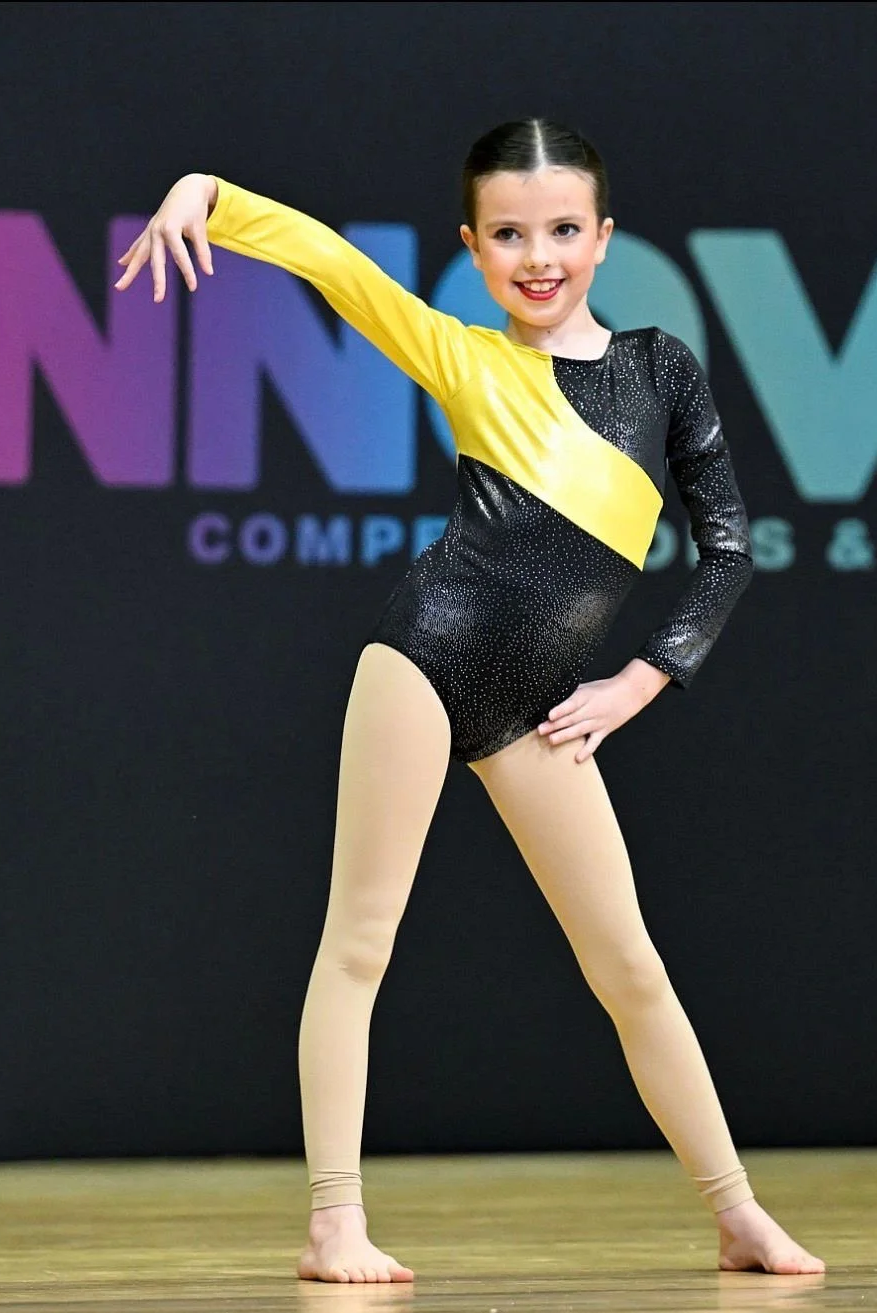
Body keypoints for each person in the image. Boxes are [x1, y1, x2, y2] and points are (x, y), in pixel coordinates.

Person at [115, 118, 825, 1284]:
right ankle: (333, 1221)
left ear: (604, 236)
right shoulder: (461, 354)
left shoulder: (661, 368)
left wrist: (641, 679)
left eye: (562, 229)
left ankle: (738, 1212)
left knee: (630, 965)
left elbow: (730, 550)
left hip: (541, 702)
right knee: (359, 939)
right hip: (424, 658)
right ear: (472, 245)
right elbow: (335, 266)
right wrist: (206, 190)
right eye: (508, 235)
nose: (537, 256)